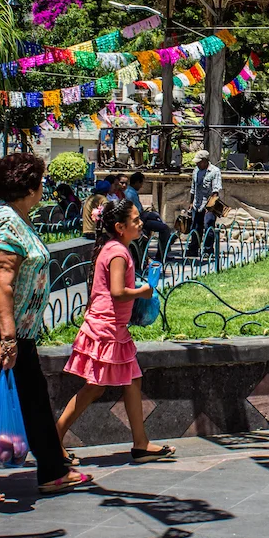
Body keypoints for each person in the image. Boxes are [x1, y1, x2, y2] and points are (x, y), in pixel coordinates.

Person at [0, 153, 91, 503]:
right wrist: (9, 338)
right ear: (28, 186)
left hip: (15, 330)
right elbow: (2, 284)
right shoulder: (6, 224)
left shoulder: (17, 217)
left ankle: (52, 472)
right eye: (40, 182)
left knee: (33, 397)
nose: (43, 187)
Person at [55, 199, 175, 465]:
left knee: (132, 381)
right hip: (105, 329)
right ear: (120, 227)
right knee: (95, 388)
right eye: (135, 220)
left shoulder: (114, 248)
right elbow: (118, 292)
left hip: (112, 328)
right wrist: (143, 292)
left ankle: (141, 443)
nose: (141, 223)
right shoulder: (118, 253)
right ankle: (54, 439)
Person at [125, 171, 172, 262]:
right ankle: (162, 254)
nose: (141, 186)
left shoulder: (131, 191)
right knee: (164, 228)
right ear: (137, 182)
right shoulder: (130, 193)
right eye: (141, 183)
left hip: (141, 217)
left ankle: (162, 251)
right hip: (138, 220)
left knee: (156, 217)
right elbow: (137, 212)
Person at [187, 150, 222, 257]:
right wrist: (190, 202)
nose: (197, 164)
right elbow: (193, 188)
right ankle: (193, 248)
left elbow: (215, 190)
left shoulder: (215, 171)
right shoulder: (196, 171)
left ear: (205, 161)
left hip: (209, 205)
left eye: (199, 162)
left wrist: (210, 205)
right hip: (197, 204)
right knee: (195, 227)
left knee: (208, 225)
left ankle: (208, 250)